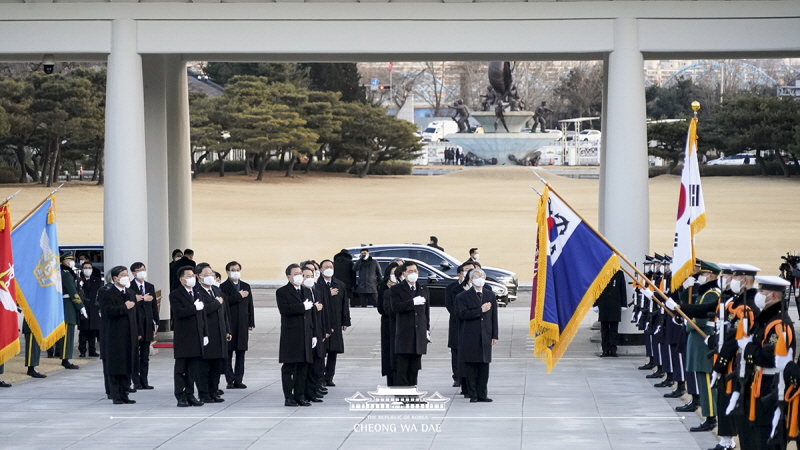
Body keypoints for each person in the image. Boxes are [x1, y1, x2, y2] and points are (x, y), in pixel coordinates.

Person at [662, 260, 721, 433]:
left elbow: (700, 318)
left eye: (701, 274)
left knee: (706, 380)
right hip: (697, 340)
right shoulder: (705, 292)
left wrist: (686, 323)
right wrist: (684, 289)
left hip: (703, 339)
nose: (698, 277)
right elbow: (689, 305)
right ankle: (708, 414)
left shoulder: (712, 293)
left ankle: (711, 417)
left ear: (710, 276)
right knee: (701, 379)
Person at [741, 275, 794, 450]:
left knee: (769, 434)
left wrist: (748, 348)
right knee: (759, 433)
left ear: (773, 296)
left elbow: (769, 358)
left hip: (773, 385)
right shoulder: (767, 319)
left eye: (762, 291)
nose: (759, 294)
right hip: (762, 382)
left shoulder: (779, 323)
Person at [456, 268, 499, 402]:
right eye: (476, 276)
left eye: (481, 276)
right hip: (470, 335)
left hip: (485, 335)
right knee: (471, 366)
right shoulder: (462, 296)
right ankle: (473, 394)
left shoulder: (490, 295)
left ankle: (482, 394)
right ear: (470, 280)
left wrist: (494, 335)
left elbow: (494, 316)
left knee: (484, 366)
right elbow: (462, 314)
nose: (479, 278)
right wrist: (480, 310)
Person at [98, 266, 138, 404]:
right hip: (114, 335)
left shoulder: (131, 293)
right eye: (122, 275)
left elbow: (134, 315)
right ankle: (115, 394)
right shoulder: (107, 294)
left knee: (128, 364)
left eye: (127, 274)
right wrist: (123, 307)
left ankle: (125, 393)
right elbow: (108, 311)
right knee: (116, 365)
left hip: (129, 334)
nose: (126, 277)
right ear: (115, 278)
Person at [276, 264, 315, 407]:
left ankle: (300, 395)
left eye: (301, 273)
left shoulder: (306, 290)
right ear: (289, 277)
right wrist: (301, 307)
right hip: (291, 335)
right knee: (289, 367)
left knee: (303, 366)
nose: (300, 276)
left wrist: (314, 333)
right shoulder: (282, 292)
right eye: (296, 273)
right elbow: (284, 309)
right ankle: (288, 396)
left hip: (306, 334)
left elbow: (312, 314)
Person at [170, 266, 207, 408]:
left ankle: (190, 394)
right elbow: (178, 313)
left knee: (193, 368)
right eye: (189, 276)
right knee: (181, 368)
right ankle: (180, 395)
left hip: (196, 335)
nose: (193, 278)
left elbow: (202, 315)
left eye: (193, 275)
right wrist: (193, 308)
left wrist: (205, 333)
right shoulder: (175, 294)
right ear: (182, 279)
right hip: (183, 336)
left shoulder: (197, 292)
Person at [194, 263, 230, 404]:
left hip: (219, 332)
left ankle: (214, 391)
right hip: (207, 333)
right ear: (199, 276)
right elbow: (201, 310)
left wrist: (227, 329)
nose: (210, 277)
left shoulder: (217, 290)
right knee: (204, 366)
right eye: (206, 274)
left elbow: (224, 312)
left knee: (217, 365)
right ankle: (204, 393)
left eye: (211, 274)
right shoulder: (197, 291)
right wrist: (216, 303)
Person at [391, 261, 430, 386]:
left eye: (415, 271)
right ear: (404, 273)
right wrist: (412, 303)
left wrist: (427, 330)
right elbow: (395, 307)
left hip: (419, 334)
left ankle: (413, 394)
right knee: (403, 367)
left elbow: (426, 312)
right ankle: (402, 394)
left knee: (414, 367)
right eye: (410, 271)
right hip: (405, 334)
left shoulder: (423, 289)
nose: (414, 273)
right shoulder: (397, 289)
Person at [221, 261, 254, 390]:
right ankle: (229, 379)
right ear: (227, 272)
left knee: (241, 353)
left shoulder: (246, 286)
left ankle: (239, 379)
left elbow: (250, 305)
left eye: (237, 269)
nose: (235, 272)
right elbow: (224, 302)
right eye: (232, 270)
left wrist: (251, 321)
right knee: (228, 353)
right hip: (230, 323)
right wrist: (238, 296)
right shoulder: (223, 287)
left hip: (242, 323)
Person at [319, 259, 350, 387]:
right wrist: (327, 293)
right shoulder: (318, 285)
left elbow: (344, 305)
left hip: (336, 322)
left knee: (333, 351)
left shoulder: (340, 285)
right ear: (320, 269)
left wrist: (345, 321)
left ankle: (329, 377)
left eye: (330, 266)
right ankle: (320, 376)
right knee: (321, 351)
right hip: (322, 322)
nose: (328, 268)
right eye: (326, 266)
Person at [130, 262, 158, 390]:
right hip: (136, 324)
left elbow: (153, 306)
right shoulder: (129, 287)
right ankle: (135, 381)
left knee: (145, 356)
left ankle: (144, 380)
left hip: (147, 324)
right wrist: (141, 299)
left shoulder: (149, 286)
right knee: (135, 355)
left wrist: (156, 322)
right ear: (133, 273)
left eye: (143, 269)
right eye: (138, 270)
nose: (142, 272)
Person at [446, 262, 474, 388]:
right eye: (466, 270)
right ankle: (457, 376)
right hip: (457, 323)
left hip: (473, 324)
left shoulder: (480, 288)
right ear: (460, 273)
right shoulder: (452, 288)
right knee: (456, 350)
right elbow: (450, 306)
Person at [57, 252, 85, 370]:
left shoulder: (70, 273)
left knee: (69, 333)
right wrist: (81, 306)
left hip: (68, 304)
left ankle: (66, 357)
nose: (70, 262)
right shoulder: (66, 274)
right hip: (68, 305)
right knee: (68, 333)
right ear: (63, 261)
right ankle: (65, 358)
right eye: (68, 260)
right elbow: (73, 292)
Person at [378, 261, 402, 387]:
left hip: (403, 324)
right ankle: (391, 380)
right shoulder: (383, 288)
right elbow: (381, 309)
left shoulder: (404, 288)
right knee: (389, 352)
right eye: (393, 273)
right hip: (389, 324)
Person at [593, 270, 628, 357]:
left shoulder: (619, 273)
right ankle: (605, 349)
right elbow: (596, 289)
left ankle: (613, 349)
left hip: (615, 305)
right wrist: (595, 303)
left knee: (614, 329)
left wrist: (624, 304)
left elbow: (622, 289)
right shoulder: (600, 272)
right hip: (603, 304)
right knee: (604, 329)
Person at [77, 261, 102, 358]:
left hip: (94, 308)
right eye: (85, 268)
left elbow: (100, 294)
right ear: (82, 270)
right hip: (83, 307)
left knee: (93, 331)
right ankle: (82, 350)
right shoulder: (79, 280)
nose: (88, 270)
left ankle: (92, 350)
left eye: (89, 268)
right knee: (83, 331)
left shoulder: (96, 280)